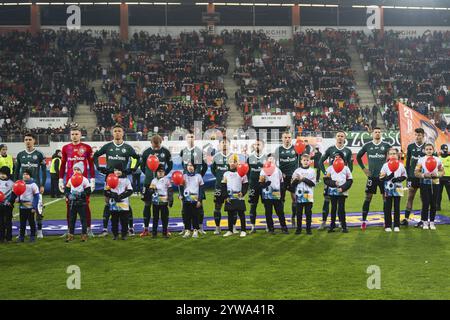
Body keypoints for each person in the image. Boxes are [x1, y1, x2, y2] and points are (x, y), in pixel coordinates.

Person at [93, 124, 140, 237]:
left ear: (123, 133)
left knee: (126, 203)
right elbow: (95, 155)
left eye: (119, 131)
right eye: (115, 131)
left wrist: (131, 170)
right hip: (109, 179)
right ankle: (105, 229)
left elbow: (137, 158)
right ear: (112, 133)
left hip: (123, 179)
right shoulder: (108, 146)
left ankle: (130, 228)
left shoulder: (128, 147)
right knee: (108, 203)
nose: (117, 133)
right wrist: (99, 167)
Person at [59, 125, 96, 238]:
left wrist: (92, 179)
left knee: (85, 206)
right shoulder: (65, 148)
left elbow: (90, 164)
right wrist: (61, 179)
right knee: (69, 206)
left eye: (76, 134)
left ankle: (88, 229)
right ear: (70, 136)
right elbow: (63, 164)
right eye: (73, 134)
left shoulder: (86, 148)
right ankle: (70, 230)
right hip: (70, 183)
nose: (74, 136)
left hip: (83, 183)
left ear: (80, 135)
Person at [356, 127, 390, 230]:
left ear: (381, 134)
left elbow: (393, 157)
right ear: (372, 134)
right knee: (368, 198)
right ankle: (364, 221)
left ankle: (386, 221)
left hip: (383, 177)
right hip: (371, 177)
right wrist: (363, 168)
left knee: (385, 198)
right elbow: (358, 157)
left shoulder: (386, 145)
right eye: (376, 132)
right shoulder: (367, 145)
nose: (378, 133)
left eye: (379, 132)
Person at [318, 131, 353, 230]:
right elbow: (321, 161)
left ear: (344, 138)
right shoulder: (330, 149)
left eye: (342, 136)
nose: (340, 138)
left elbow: (350, 166)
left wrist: (347, 177)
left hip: (342, 181)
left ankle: (342, 223)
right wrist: (325, 173)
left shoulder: (348, 151)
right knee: (327, 200)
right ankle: (324, 222)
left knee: (341, 204)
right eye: (338, 136)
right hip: (330, 180)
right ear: (335, 137)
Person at [140, 134, 173, 237]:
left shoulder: (166, 151)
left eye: (157, 146)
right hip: (149, 182)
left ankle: (165, 229)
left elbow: (170, 165)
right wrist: (149, 176)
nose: (156, 148)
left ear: (161, 143)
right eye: (154, 146)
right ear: (151, 143)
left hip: (162, 184)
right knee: (147, 204)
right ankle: (146, 229)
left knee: (163, 206)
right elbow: (142, 167)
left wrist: (164, 175)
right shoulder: (146, 152)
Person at [15, 133, 46, 239]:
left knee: (38, 209)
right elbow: (16, 170)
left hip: (35, 186)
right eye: (26, 139)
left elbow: (44, 171)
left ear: (34, 141)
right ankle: (23, 232)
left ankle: (39, 230)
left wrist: (42, 185)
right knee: (22, 209)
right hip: (22, 188)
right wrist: (16, 184)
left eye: (29, 139)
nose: (27, 141)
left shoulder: (39, 154)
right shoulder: (20, 155)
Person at [179, 131, 208, 234]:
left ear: (194, 138)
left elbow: (205, 166)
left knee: (199, 207)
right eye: (188, 137)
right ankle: (185, 228)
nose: (190, 138)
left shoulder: (199, 151)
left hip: (196, 183)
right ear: (186, 139)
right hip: (186, 182)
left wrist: (199, 176)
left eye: (192, 137)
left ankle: (200, 227)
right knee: (184, 207)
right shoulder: (183, 151)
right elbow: (183, 166)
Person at [414, 143, 444, 230]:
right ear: (424, 150)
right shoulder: (421, 160)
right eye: (427, 149)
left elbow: (442, 172)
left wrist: (437, 174)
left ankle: (432, 222)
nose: (429, 151)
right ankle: (424, 222)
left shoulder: (438, 160)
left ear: (433, 150)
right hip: (424, 184)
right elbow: (416, 173)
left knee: (434, 204)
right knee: (425, 203)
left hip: (435, 184)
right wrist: (424, 175)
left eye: (430, 149)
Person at [323, 152, 353, 233]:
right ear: (333, 158)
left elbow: (350, 180)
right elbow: (325, 180)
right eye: (336, 157)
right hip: (332, 191)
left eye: (339, 157)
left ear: (342, 159)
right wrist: (333, 183)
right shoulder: (330, 168)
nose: (337, 158)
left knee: (341, 209)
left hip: (342, 192)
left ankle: (344, 226)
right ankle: (332, 225)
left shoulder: (346, 168)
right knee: (333, 208)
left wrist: (342, 188)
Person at [402, 128, 426, 227]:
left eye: (419, 135)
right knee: (410, 197)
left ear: (423, 135)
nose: (417, 137)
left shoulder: (427, 147)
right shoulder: (411, 146)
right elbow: (407, 163)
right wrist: (408, 176)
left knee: (423, 198)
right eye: (416, 135)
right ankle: (406, 219)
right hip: (412, 177)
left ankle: (422, 220)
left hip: (424, 177)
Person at [379, 148, 407, 232]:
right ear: (388, 155)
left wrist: (398, 179)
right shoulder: (385, 165)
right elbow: (381, 177)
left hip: (398, 188)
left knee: (397, 207)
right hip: (388, 188)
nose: (393, 155)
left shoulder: (401, 165)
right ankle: (388, 225)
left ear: (397, 155)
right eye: (391, 154)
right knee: (388, 207)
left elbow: (404, 176)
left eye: (394, 153)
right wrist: (389, 177)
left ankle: (396, 225)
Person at [275, 131, 299, 228]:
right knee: (281, 199)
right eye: (285, 137)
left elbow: (299, 161)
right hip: (282, 178)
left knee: (295, 198)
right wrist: (281, 173)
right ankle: (282, 219)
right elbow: (275, 163)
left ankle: (293, 218)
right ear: (282, 138)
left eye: (289, 137)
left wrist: (297, 172)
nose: (287, 139)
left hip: (293, 177)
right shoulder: (278, 149)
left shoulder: (296, 148)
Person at [259, 155, 288, 234]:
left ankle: (284, 227)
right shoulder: (263, 170)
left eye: (272, 158)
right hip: (267, 194)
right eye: (269, 158)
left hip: (276, 194)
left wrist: (282, 195)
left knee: (280, 212)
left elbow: (281, 183)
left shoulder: (278, 170)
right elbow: (261, 184)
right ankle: (271, 228)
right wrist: (266, 184)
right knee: (268, 213)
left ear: (275, 161)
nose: (271, 160)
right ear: (267, 160)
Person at [221, 154, 248, 238]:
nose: (232, 163)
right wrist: (225, 197)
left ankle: (243, 230)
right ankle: (230, 230)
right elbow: (223, 186)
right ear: (229, 163)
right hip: (229, 198)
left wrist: (242, 193)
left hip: (239, 197)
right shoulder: (226, 174)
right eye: (231, 162)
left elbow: (245, 185)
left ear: (237, 163)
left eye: (234, 162)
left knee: (241, 214)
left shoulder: (242, 173)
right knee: (230, 214)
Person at [104, 164, 134, 240]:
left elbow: (130, 191)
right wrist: (113, 195)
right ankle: (115, 235)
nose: (117, 172)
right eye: (115, 170)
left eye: (119, 170)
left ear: (122, 171)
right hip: (114, 203)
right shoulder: (109, 179)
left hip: (123, 203)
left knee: (124, 220)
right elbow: (106, 192)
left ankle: (124, 235)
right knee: (114, 220)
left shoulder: (126, 180)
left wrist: (121, 196)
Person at [64, 162, 91, 242]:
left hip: (81, 203)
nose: (76, 171)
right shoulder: (70, 179)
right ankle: (71, 235)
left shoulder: (85, 180)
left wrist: (80, 195)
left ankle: (84, 235)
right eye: (74, 169)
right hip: (72, 203)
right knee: (72, 219)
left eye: (78, 169)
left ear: (82, 170)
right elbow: (67, 190)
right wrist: (68, 195)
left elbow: (88, 191)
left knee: (83, 219)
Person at [291, 154, 316, 235]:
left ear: (310, 161)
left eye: (307, 160)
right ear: (301, 161)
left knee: (308, 213)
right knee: (299, 213)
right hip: (299, 195)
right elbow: (292, 185)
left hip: (308, 195)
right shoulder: (297, 171)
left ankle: (308, 229)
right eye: (304, 160)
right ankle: (299, 229)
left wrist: (303, 179)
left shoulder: (312, 171)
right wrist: (296, 180)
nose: (305, 162)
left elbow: (312, 184)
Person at [247, 138, 267, 233]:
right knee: (253, 206)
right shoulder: (249, 158)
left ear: (263, 146)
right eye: (255, 144)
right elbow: (247, 172)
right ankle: (253, 227)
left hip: (264, 186)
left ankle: (268, 225)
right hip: (253, 186)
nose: (257, 146)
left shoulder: (267, 158)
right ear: (253, 146)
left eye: (259, 144)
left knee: (267, 206)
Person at [211, 138, 231, 235]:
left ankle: (232, 228)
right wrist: (220, 178)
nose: (224, 144)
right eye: (222, 143)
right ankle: (217, 228)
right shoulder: (216, 157)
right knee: (217, 207)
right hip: (219, 187)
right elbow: (213, 170)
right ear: (219, 145)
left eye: (226, 143)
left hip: (230, 188)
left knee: (232, 208)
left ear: (229, 144)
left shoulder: (233, 157)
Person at [179, 161, 204, 239]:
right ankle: (187, 230)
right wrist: (180, 195)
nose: (190, 167)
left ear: (194, 167)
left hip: (195, 200)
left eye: (192, 165)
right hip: (186, 200)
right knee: (187, 216)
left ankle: (195, 230)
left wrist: (199, 200)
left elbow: (201, 189)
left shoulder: (198, 176)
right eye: (189, 165)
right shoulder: (184, 176)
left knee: (195, 216)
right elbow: (181, 187)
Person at [149, 164, 174, 238]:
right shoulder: (153, 180)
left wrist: (171, 200)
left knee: (165, 219)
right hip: (155, 202)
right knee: (155, 218)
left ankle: (165, 233)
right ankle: (154, 233)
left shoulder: (167, 180)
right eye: (159, 171)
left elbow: (170, 191)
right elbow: (150, 190)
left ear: (164, 172)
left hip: (164, 202)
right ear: (156, 172)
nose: (160, 173)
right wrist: (151, 190)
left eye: (162, 171)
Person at [16, 169, 40, 243]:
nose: (25, 175)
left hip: (30, 207)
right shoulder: (20, 183)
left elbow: (36, 196)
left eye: (26, 174)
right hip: (22, 206)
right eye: (23, 174)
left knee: (31, 222)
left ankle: (32, 236)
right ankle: (21, 237)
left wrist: (34, 207)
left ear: (30, 176)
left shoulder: (33, 185)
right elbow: (18, 193)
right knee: (22, 223)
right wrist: (18, 199)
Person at [0, 166, 14, 243]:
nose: (2, 175)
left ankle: (9, 238)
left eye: (4, 174)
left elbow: (14, 194)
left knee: (8, 222)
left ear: (8, 174)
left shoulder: (12, 183)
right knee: (1, 222)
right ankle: (1, 238)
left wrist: (10, 202)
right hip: (0, 206)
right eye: (1, 173)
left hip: (8, 206)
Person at [437, 144, 450, 211]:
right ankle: (437, 207)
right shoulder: (438, 158)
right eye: (444, 149)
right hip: (440, 178)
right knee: (438, 194)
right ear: (441, 150)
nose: (445, 151)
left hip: (448, 178)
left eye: (446, 149)